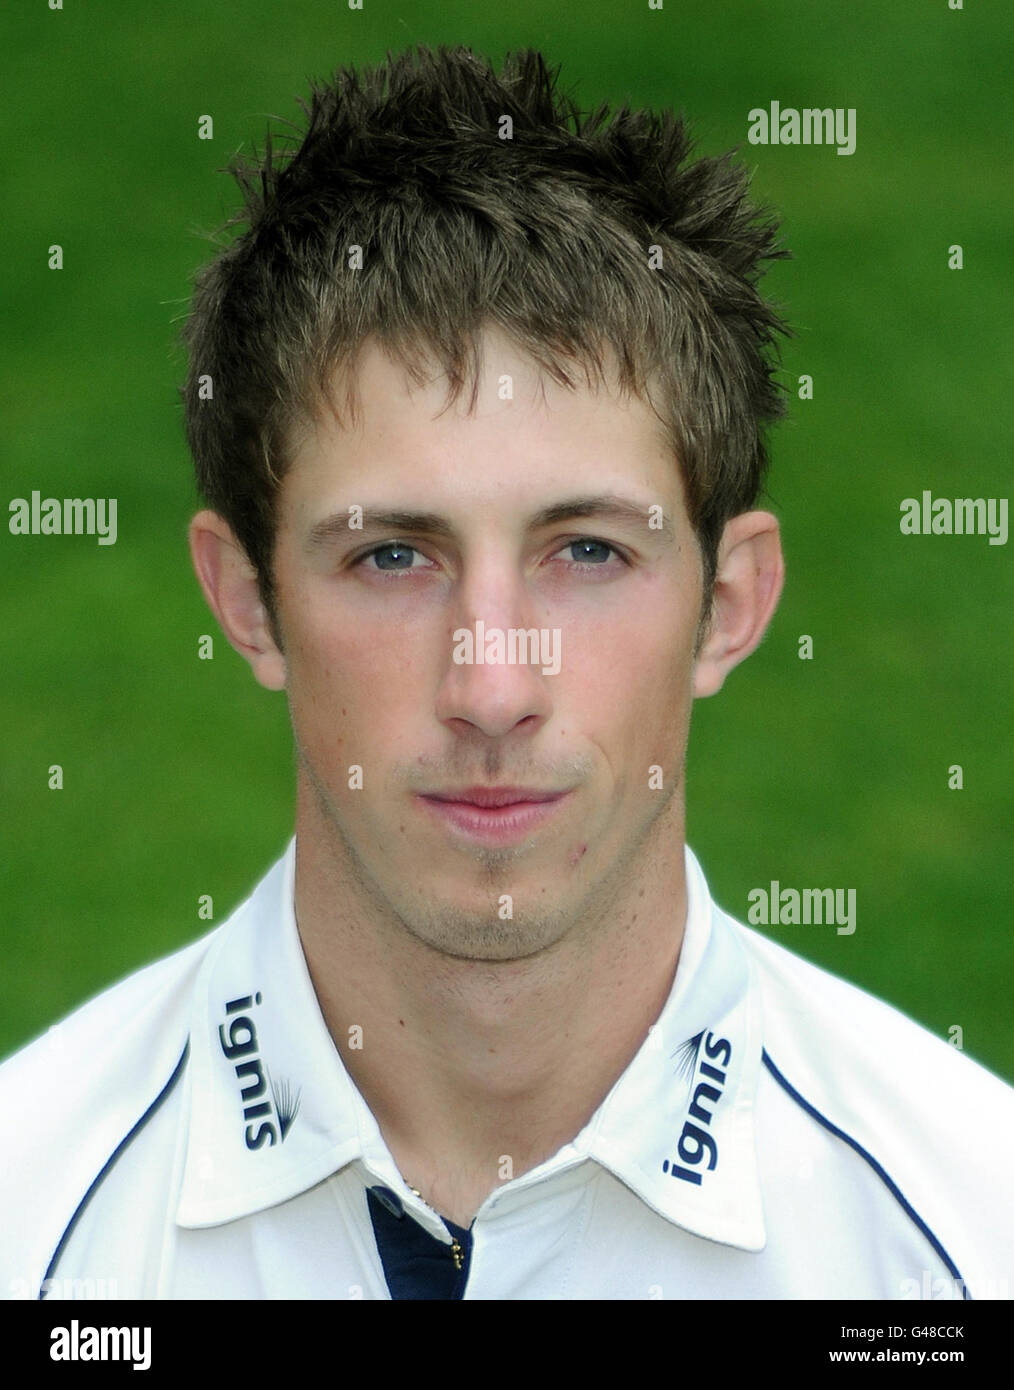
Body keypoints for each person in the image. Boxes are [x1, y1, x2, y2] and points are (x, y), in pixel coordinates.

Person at [2, 45, 1011, 1302]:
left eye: (587, 550)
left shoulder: (971, 1235)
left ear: (730, 604)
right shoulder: (25, 1218)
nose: (491, 685)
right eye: (390, 556)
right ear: (248, 600)